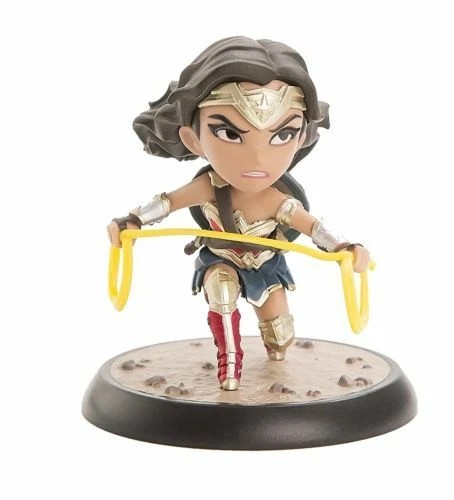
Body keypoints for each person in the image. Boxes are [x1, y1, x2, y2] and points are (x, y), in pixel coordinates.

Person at [107, 37, 370, 391]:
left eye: (282, 134)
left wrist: (346, 248)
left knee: (280, 336)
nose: (257, 158)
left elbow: (315, 228)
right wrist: (132, 221)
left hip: (266, 266)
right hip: (221, 258)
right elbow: (168, 202)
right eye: (230, 133)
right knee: (221, 290)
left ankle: (276, 355)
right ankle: (229, 363)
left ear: (300, 139)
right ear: (193, 139)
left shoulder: (278, 201)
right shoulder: (209, 187)